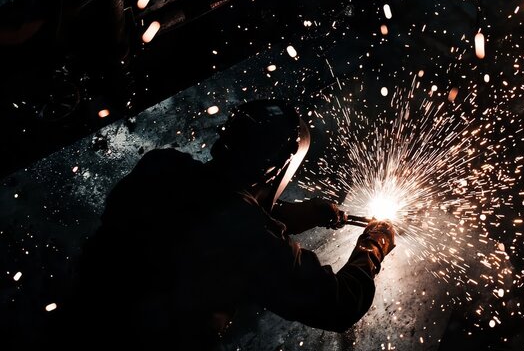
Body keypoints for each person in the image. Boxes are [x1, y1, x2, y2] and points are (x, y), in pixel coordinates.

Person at [61, 100, 396, 350]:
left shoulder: (162, 167)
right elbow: (338, 305)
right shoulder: (250, 240)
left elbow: (205, 211)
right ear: (275, 168)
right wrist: (373, 246)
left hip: (77, 326)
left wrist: (295, 215)